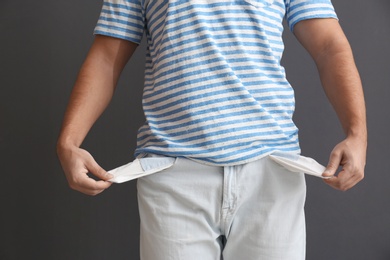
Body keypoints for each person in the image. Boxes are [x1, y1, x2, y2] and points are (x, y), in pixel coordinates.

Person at [57, 0, 367, 259]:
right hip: (173, 174)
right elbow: (107, 56)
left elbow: (329, 45)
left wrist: (357, 133)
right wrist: (69, 141)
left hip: (272, 173)